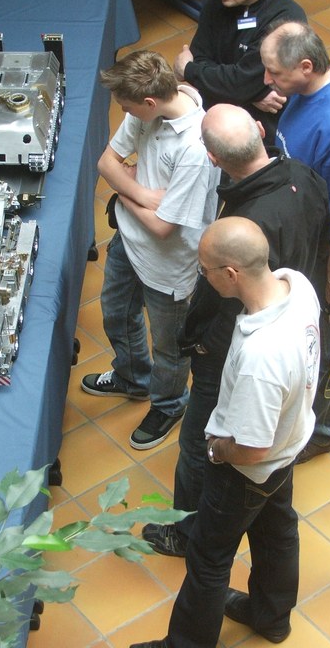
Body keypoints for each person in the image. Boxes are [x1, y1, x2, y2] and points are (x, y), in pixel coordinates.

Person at [142, 103, 330, 556]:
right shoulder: (305, 177)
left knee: (197, 440)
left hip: (234, 346)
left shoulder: (247, 223)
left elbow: (228, 303)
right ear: (260, 131)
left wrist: (203, 347)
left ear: (212, 158)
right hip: (294, 319)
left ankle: (185, 532)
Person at [131, 217, 321, 648]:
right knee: (277, 534)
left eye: (205, 270)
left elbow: (252, 450)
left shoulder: (261, 357)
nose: (202, 276)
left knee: (209, 557)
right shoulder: (295, 285)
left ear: (231, 273)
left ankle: (186, 644)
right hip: (290, 445)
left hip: (246, 471)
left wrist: (216, 451)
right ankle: (271, 617)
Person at [81, 50, 219, 450]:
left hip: (169, 265)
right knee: (116, 313)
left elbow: (163, 227)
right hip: (129, 241)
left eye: (126, 108)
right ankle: (133, 378)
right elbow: (106, 163)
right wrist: (142, 194)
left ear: (150, 102)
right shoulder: (148, 109)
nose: (123, 113)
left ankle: (170, 403)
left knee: (169, 347)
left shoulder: (194, 150)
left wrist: (123, 192)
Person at [261, 20, 330, 462]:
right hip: (314, 228)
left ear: (305, 66)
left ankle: (325, 429)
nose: (267, 79)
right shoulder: (320, 85)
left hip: (329, 243)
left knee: (322, 330)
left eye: (274, 72)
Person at [172, 0, 306, 143]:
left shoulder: (286, 20)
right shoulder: (219, 1)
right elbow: (202, 58)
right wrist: (251, 94)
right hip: (214, 117)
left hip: (258, 131)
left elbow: (240, 82)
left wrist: (188, 70)